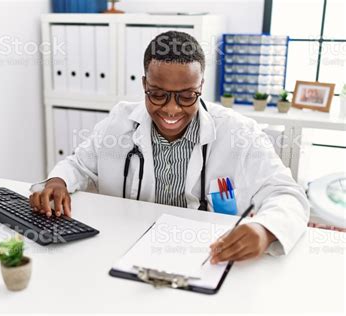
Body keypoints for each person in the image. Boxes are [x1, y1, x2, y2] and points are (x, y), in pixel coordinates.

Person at [29, 31, 309, 264]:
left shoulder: (238, 132)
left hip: (205, 257)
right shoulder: (120, 121)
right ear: (144, 85)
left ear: (200, 87)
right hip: (123, 249)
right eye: (158, 95)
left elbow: (288, 195)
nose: (171, 109)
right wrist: (58, 180)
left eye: (187, 96)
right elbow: (79, 164)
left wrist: (264, 229)